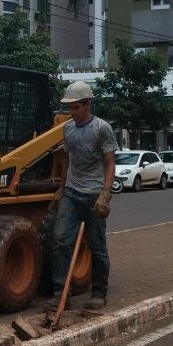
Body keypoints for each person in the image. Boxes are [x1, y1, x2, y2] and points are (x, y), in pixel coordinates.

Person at [49, 81, 119, 311]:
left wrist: (105, 194)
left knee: (97, 245)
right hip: (71, 192)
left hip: (93, 195)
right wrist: (61, 187)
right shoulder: (68, 129)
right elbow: (66, 161)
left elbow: (110, 163)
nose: (72, 112)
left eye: (76, 107)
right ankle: (61, 293)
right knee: (60, 240)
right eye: (69, 107)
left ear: (88, 104)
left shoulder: (102, 129)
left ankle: (99, 292)